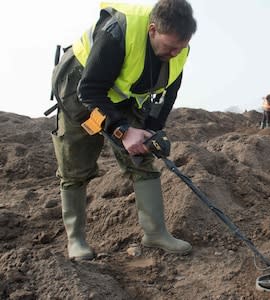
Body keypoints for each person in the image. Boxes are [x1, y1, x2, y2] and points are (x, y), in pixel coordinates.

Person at [51, 0, 197, 260]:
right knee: (75, 165)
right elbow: (90, 90)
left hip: (123, 97)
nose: (175, 53)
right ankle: (76, 241)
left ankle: (155, 233)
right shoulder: (117, 32)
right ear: (153, 30)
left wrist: (151, 131)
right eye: (170, 47)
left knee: (143, 158)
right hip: (81, 87)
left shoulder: (178, 50)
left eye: (180, 47)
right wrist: (123, 130)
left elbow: (168, 95)